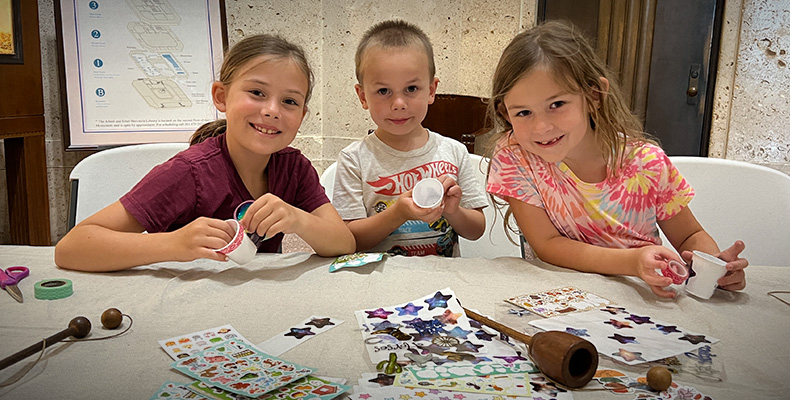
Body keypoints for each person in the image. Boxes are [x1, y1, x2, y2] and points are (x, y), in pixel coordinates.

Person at [485, 21, 747, 298]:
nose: (541, 127)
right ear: (505, 113)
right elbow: (547, 245)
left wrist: (716, 267)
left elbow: (688, 236)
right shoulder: (516, 157)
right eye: (524, 113)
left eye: (557, 104)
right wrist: (631, 262)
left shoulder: (647, 163)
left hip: (643, 301)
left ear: (594, 96)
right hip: (552, 300)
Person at [55, 34, 355, 272]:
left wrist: (298, 219)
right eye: (257, 93)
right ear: (221, 97)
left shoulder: (294, 168)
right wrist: (174, 244)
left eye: (289, 101)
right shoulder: (189, 172)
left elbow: (343, 243)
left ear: (302, 115)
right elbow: (72, 248)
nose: (272, 111)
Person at [332, 20, 487, 257]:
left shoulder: (454, 151)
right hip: (378, 282)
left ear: (431, 90)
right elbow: (350, 240)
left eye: (411, 89)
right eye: (383, 91)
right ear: (363, 96)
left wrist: (453, 211)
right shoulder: (354, 159)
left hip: (440, 284)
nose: (399, 104)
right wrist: (398, 213)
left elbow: (476, 230)